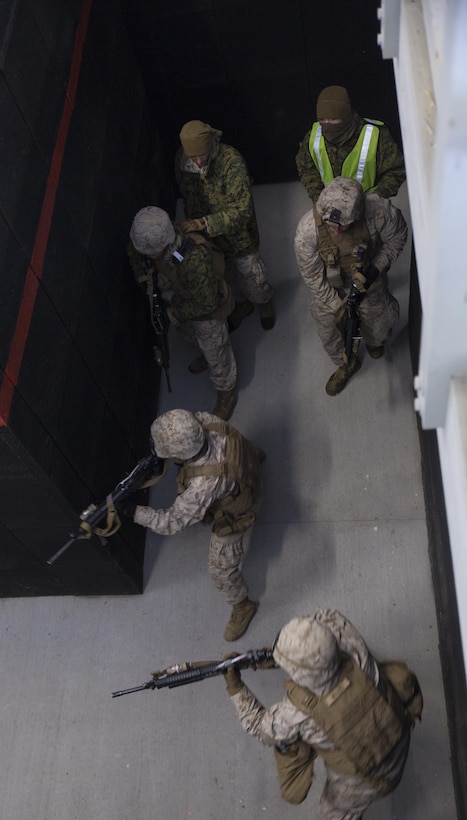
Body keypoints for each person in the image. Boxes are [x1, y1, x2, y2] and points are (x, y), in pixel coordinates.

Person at [223, 608, 422, 819]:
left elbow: (259, 728)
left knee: (334, 813)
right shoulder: (353, 645)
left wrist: (236, 688)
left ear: (298, 674)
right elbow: (325, 617)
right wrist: (279, 654)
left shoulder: (294, 714)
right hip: (398, 735)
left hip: (368, 781)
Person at [118, 408, 265, 641]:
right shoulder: (206, 421)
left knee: (220, 571)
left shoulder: (202, 487)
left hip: (241, 508)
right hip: (243, 463)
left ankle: (242, 606)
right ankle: (256, 456)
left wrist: (135, 512)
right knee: (238, 454)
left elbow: (171, 523)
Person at [294, 176, 408, 395]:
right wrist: (339, 306)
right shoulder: (308, 230)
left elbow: (397, 237)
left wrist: (375, 268)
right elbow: (312, 276)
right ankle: (346, 363)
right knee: (331, 332)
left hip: (368, 281)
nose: (336, 231)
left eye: (343, 226)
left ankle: (375, 342)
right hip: (330, 289)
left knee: (380, 323)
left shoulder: (378, 211)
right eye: (331, 225)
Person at [128, 206, 238, 421]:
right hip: (182, 294)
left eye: (150, 252)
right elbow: (133, 251)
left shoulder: (193, 260)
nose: (147, 255)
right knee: (188, 333)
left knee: (216, 350)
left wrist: (173, 315)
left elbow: (207, 304)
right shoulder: (153, 238)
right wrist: (143, 276)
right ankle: (206, 355)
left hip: (207, 307)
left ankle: (226, 392)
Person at [175, 119, 275, 331]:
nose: (199, 162)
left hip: (239, 238)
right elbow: (187, 195)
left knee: (253, 277)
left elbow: (242, 211)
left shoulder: (231, 161)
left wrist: (202, 223)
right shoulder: (183, 161)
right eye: (193, 157)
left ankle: (264, 302)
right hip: (210, 241)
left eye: (202, 155)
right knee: (225, 277)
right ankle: (242, 305)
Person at [296, 85, 406, 203]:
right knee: (307, 222)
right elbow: (307, 169)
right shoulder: (314, 135)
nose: (327, 124)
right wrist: (318, 198)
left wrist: (377, 197)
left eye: (333, 119)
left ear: (346, 115)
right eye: (322, 119)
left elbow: (396, 170)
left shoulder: (374, 134)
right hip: (329, 206)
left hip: (369, 207)